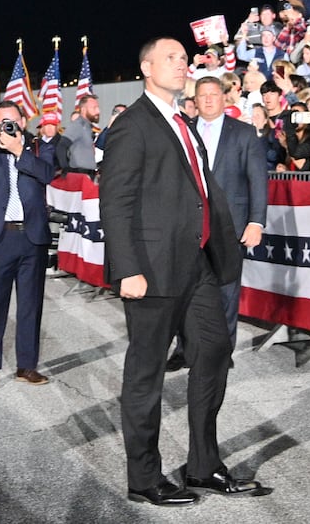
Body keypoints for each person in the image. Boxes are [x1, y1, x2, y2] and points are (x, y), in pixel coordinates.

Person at [98, 38, 260, 505]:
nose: (181, 63)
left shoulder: (183, 123)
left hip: (198, 266)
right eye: (171, 57)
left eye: (184, 58)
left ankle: (203, 466)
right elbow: (117, 201)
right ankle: (144, 477)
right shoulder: (133, 126)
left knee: (213, 353)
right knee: (146, 373)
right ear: (146, 67)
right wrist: (128, 268)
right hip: (151, 270)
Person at [168, 75, 267, 369]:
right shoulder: (183, 132)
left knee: (225, 291)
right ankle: (185, 350)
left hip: (230, 227)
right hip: (189, 227)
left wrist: (256, 222)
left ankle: (221, 354)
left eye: (214, 94)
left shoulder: (244, 133)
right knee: (185, 291)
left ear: (224, 98)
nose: (209, 99)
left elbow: (258, 181)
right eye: (203, 95)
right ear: (195, 101)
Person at [0, 100, 59, 389]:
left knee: (30, 304)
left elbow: (47, 174)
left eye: (12, 121)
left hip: (32, 237)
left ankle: (26, 366)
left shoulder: (39, 147)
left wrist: (19, 150)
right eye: (1, 121)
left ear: (23, 122)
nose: (7, 127)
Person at [62, 92, 102, 172]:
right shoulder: (77, 125)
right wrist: (66, 169)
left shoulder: (87, 127)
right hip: (80, 174)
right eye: (94, 108)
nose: (98, 111)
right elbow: (61, 146)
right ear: (83, 110)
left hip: (88, 173)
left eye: (98, 107)